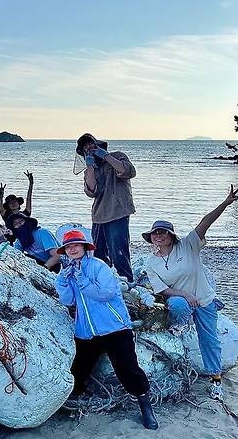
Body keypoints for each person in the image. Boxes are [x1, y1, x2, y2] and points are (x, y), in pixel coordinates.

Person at [55, 230, 158, 430]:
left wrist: (81, 279)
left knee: (128, 368)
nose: (72, 248)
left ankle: (145, 406)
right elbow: (68, 300)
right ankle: (74, 400)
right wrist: (62, 280)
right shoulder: (69, 270)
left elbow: (106, 293)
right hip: (87, 331)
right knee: (79, 369)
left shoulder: (98, 266)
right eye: (68, 246)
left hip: (114, 327)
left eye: (76, 245)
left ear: (85, 247)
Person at [143, 185, 238, 401]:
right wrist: (185, 295)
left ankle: (215, 382)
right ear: (151, 237)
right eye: (155, 233)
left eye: (163, 232)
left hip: (204, 300)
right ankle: (181, 323)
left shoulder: (188, 245)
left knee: (210, 340)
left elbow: (205, 222)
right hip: (181, 301)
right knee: (177, 305)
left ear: (171, 235)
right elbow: (163, 290)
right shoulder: (151, 263)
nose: (158, 235)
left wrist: (225, 203)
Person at [77, 133, 136, 284]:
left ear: (97, 143)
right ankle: (103, 281)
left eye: (90, 144)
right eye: (85, 147)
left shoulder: (118, 156)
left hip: (118, 212)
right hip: (98, 215)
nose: (88, 148)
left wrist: (106, 157)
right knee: (98, 252)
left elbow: (128, 171)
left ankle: (128, 281)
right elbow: (91, 191)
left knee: (119, 252)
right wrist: (90, 166)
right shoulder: (89, 169)